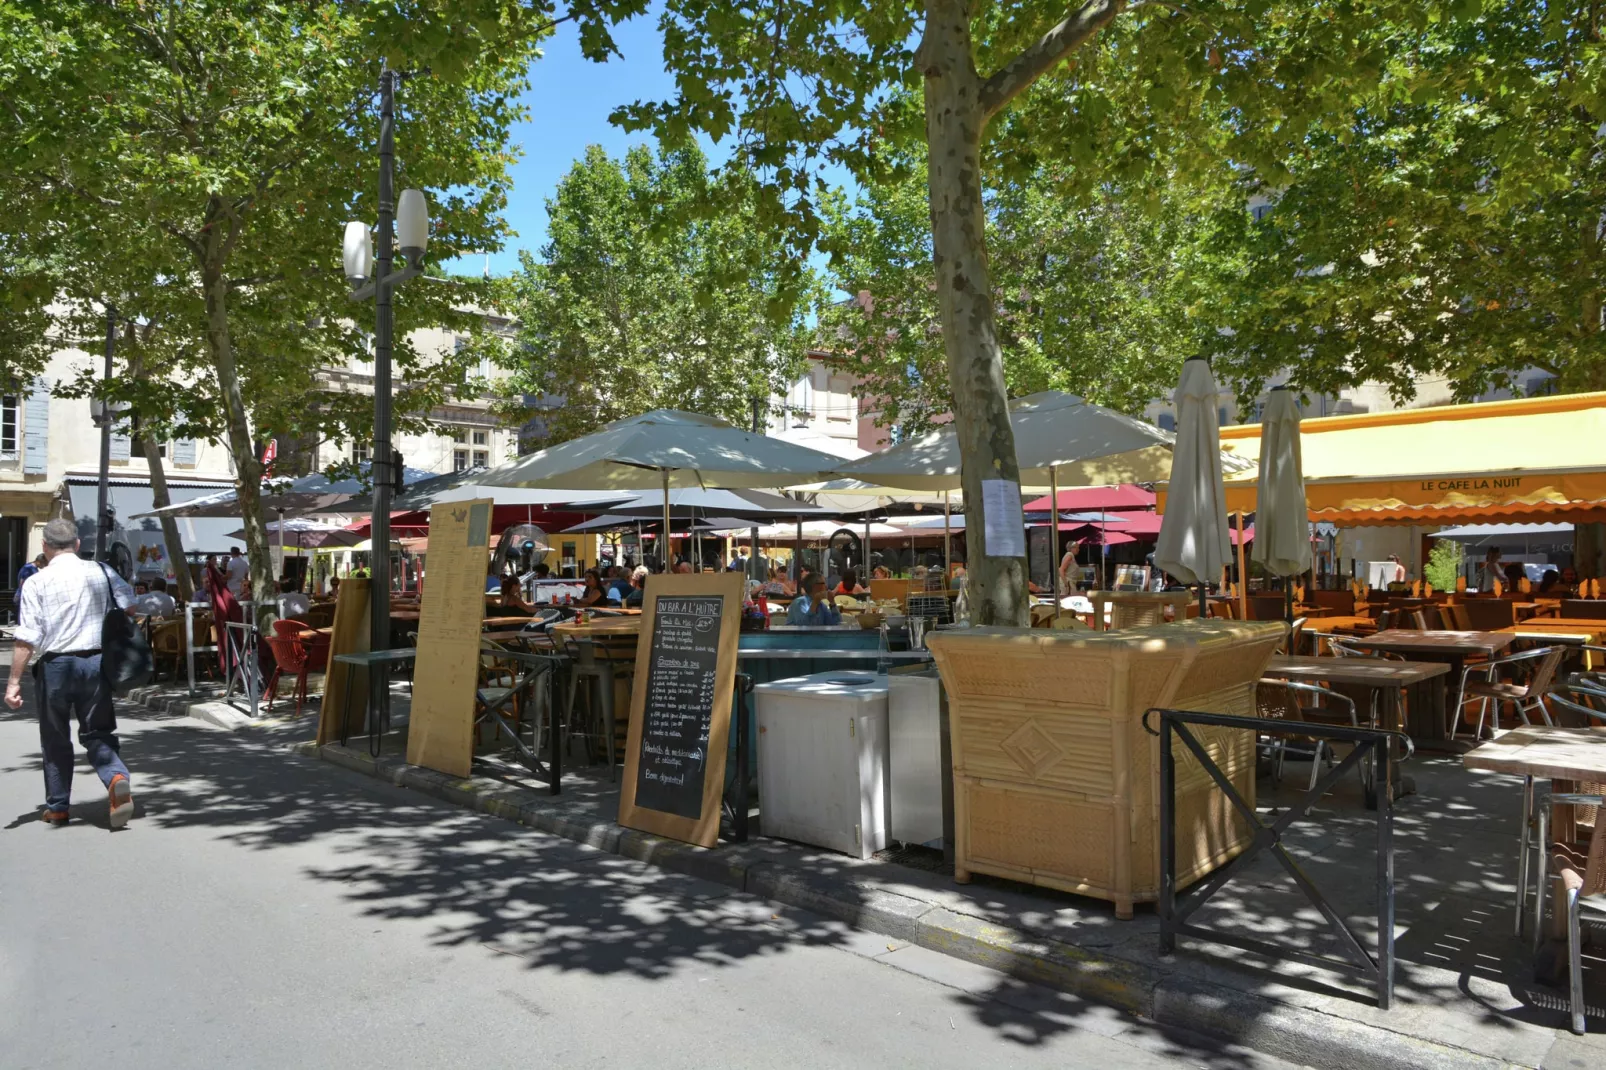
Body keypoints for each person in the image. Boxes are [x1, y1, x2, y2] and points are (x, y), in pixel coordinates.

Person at [5, 518, 138, 828]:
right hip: (95, 663)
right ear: (78, 544)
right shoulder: (102, 571)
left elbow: (27, 637)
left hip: (55, 666)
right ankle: (115, 775)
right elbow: (129, 607)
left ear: (46, 547)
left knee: (54, 738)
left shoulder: (36, 581)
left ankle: (58, 807)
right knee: (98, 732)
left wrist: (13, 682)